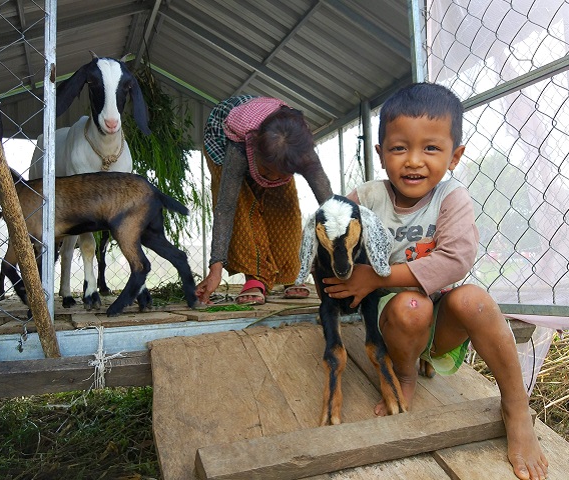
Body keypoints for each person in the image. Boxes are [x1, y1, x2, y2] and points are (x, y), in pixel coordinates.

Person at [322, 83, 549, 480]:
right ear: (380, 153)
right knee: (412, 306)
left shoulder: (451, 197)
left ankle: (516, 407)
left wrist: (374, 276)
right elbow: (334, 233)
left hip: (442, 323)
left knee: (475, 301)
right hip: (395, 322)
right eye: (398, 148)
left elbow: (455, 259)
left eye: (430, 148)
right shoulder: (367, 197)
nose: (413, 161)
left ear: (454, 156)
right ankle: (405, 373)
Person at [196, 95, 333, 305]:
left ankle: (292, 273)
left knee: (285, 204)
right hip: (224, 135)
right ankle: (255, 277)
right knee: (242, 203)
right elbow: (225, 207)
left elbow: (332, 207)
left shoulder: (301, 152)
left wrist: (339, 258)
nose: (272, 179)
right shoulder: (240, 148)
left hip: (275, 149)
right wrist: (215, 269)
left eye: (281, 174)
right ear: (255, 152)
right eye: (268, 172)